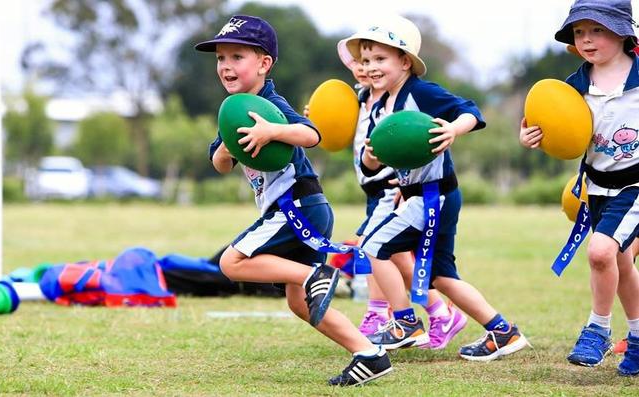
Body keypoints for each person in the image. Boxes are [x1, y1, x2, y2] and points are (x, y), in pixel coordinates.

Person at [196, 15, 392, 386]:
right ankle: (369, 353)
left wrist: (272, 130)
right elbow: (220, 164)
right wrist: (227, 142)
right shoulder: (235, 111)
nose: (225, 66)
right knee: (300, 303)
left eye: (237, 56)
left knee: (231, 262)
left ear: (264, 64)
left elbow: (311, 134)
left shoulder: (269, 103)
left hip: (296, 206)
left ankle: (315, 273)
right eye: (220, 59)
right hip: (301, 209)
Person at [346, 15, 529, 360]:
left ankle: (404, 322)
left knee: (372, 246)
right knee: (440, 277)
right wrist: (371, 157)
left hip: (433, 194)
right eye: (366, 60)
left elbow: (469, 110)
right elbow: (373, 164)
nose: (371, 67)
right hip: (423, 194)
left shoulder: (420, 92)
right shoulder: (381, 107)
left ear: (405, 61)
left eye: (380, 59)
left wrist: (454, 130)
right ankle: (503, 332)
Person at [520, 0, 639, 376]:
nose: (586, 40)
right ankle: (637, 338)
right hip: (597, 186)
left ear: (623, 32)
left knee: (601, 252)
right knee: (619, 260)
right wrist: (531, 135)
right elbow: (555, 127)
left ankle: (597, 329)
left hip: (635, 185)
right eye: (579, 32)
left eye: (597, 30)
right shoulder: (575, 85)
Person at [336, 38, 467, 349]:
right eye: (358, 62)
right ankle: (437, 312)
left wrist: (406, 188)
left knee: (372, 246)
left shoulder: (396, 99)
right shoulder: (361, 99)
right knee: (390, 253)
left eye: (375, 61)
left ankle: (386, 315)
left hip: (389, 188)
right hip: (373, 188)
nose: (363, 68)